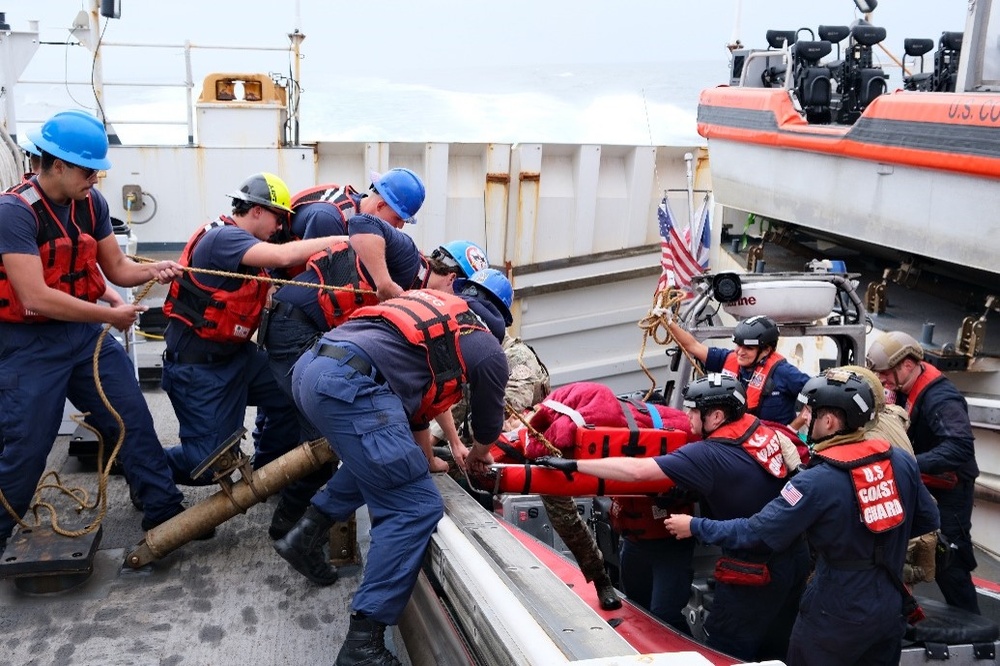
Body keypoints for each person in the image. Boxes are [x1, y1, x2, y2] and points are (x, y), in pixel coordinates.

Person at [275, 269, 512, 666]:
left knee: (382, 461)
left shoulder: (429, 313)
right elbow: (489, 425)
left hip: (311, 371)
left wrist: (428, 459)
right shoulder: (486, 347)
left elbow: (413, 414)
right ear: (499, 320)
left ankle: (304, 535)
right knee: (414, 507)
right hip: (350, 386)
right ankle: (362, 645)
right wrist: (476, 454)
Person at [0, 109, 188, 549]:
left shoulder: (91, 204)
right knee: (27, 445)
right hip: (29, 343)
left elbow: (118, 269)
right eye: (89, 171)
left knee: (130, 419)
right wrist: (109, 316)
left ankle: (163, 510)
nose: (96, 181)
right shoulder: (14, 213)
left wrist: (153, 271)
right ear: (57, 165)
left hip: (85, 337)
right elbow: (35, 297)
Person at [664, 370, 941, 666]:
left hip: (835, 611)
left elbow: (756, 532)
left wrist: (695, 525)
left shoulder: (815, 481)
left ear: (830, 421)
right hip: (889, 605)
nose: (805, 419)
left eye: (810, 412)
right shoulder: (900, 460)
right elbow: (926, 518)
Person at [536, 374, 810, 662]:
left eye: (693, 410)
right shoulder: (760, 430)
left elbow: (637, 472)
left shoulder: (707, 454)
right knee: (777, 644)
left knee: (724, 650)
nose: (687, 416)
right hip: (794, 557)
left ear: (716, 416)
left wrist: (575, 464)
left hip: (754, 568)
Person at [263, 239, 487, 539]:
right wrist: (383, 282)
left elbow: (433, 384)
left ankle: (299, 530)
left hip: (314, 340)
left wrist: (453, 441)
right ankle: (288, 530)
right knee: (329, 440)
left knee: (360, 438)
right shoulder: (405, 275)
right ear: (452, 280)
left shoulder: (420, 286)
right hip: (298, 330)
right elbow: (364, 225)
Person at [160, 172, 348, 487]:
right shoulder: (224, 238)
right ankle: (144, 469)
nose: (279, 228)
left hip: (237, 358)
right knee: (208, 464)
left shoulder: (248, 252)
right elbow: (285, 255)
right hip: (198, 368)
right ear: (257, 210)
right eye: (278, 218)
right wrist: (342, 241)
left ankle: (269, 472)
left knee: (294, 391)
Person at [867, 330, 980, 613]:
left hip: (948, 495)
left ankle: (979, 632)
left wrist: (910, 463)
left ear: (906, 364)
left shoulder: (942, 399)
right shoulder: (903, 384)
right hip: (920, 487)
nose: (881, 379)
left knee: (947, 561)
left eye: (884, 373)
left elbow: (960, 448)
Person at [666, 314, 810, 428]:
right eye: (738, 345)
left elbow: (818, 394)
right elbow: (693, 345)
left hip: (774, 444)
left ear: (766, 350)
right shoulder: (728, 359)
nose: (740, 352)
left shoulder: (783, 372)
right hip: (737, 440)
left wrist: (793, 428)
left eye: (748, 348)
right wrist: (669, 323)